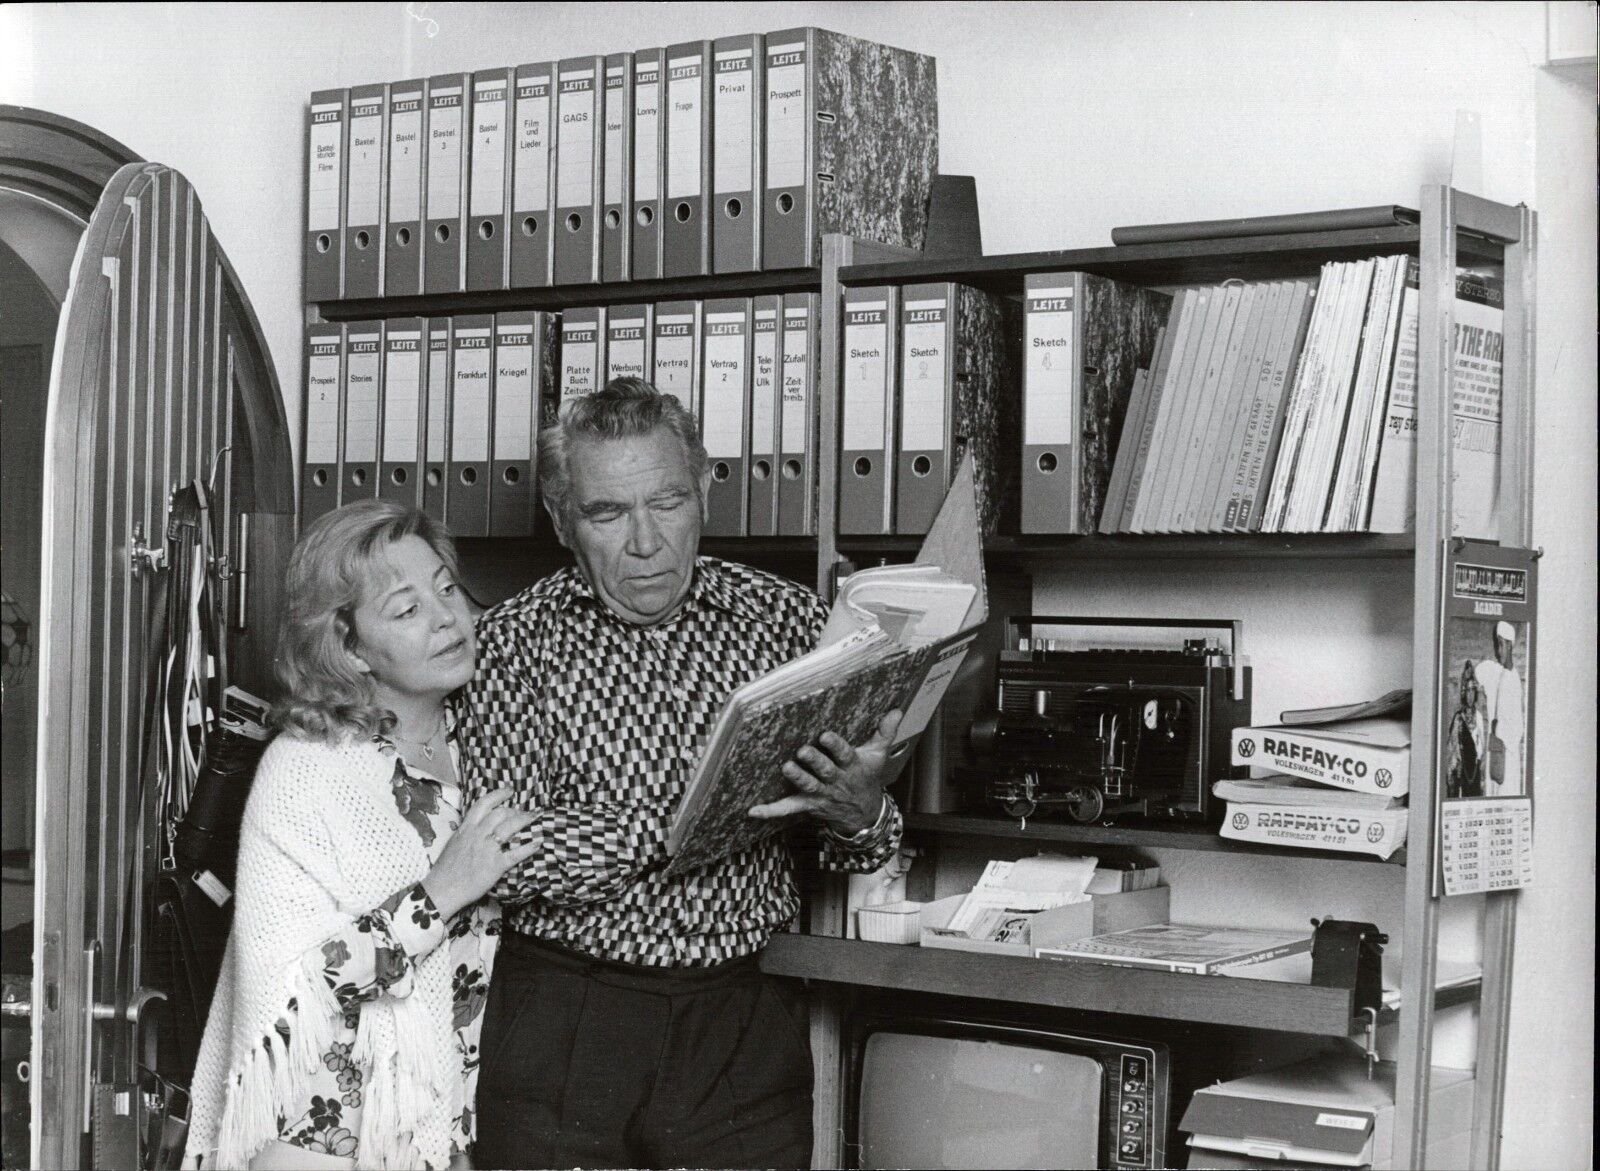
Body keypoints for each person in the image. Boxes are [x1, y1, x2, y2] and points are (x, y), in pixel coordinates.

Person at [456, 379, 906, 1170]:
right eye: (607, 513)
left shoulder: (795, 625)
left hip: (743, 1020)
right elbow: (505, 854)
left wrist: (860, 812)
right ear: (564, 523)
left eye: (667, 502)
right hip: (567, 1018)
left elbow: (853, 853)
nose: (645, 542)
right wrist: (684, 819)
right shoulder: (508, 644)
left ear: (704, 489)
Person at [185, 501, 539, 1171]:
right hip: (324, 1131)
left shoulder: (494, 739)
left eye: (447, 589)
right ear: (349, 645)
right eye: (406, 610)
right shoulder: (307, 767)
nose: (447, 618)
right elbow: (299, 993)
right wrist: (440, 892)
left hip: (450, 1117)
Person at [1476, 620, 1525, 795]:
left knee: (1506, 791)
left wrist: (1504, 739)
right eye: (1497, 645)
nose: (1499, 651)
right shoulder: (1496, 672)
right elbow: (1478, 674)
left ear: (1510, 645)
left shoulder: (1513, 679)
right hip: (1495, 749)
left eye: (1502, 645)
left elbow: (1518, 726)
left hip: (1507, 753)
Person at [1446, 660, 1485, 799]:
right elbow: (1452, 746)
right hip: (1461, 773)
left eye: (1472, 690)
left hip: (1474, 772)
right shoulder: (1458, 718)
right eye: (1467, 690)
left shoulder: (1479, 717)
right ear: (1463, 692)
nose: (1470, 695)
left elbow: (1482, 748)